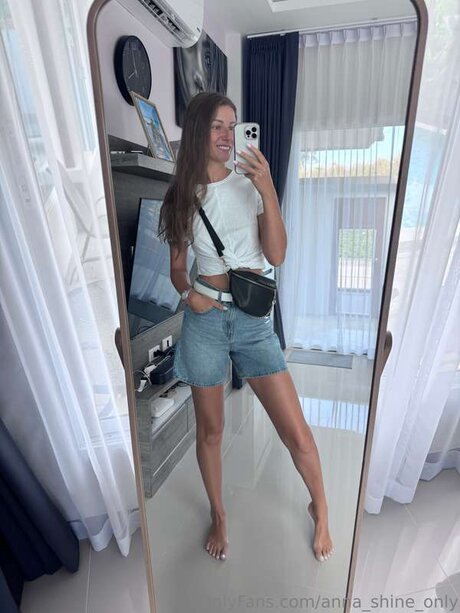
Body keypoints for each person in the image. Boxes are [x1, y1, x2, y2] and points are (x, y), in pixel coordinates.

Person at [159, 92, 334, 564]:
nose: (226, 135)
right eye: (217, 125)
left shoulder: (249, 184)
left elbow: (276, 255)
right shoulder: (181, 197)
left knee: (296, 432)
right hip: (204, 321)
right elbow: (176, 267)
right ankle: (219, 514)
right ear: (198, 131)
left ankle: (320, 507)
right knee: (211, 432)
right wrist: (188, 295)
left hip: (253, 322)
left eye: (232, 126)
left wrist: (268, 190)